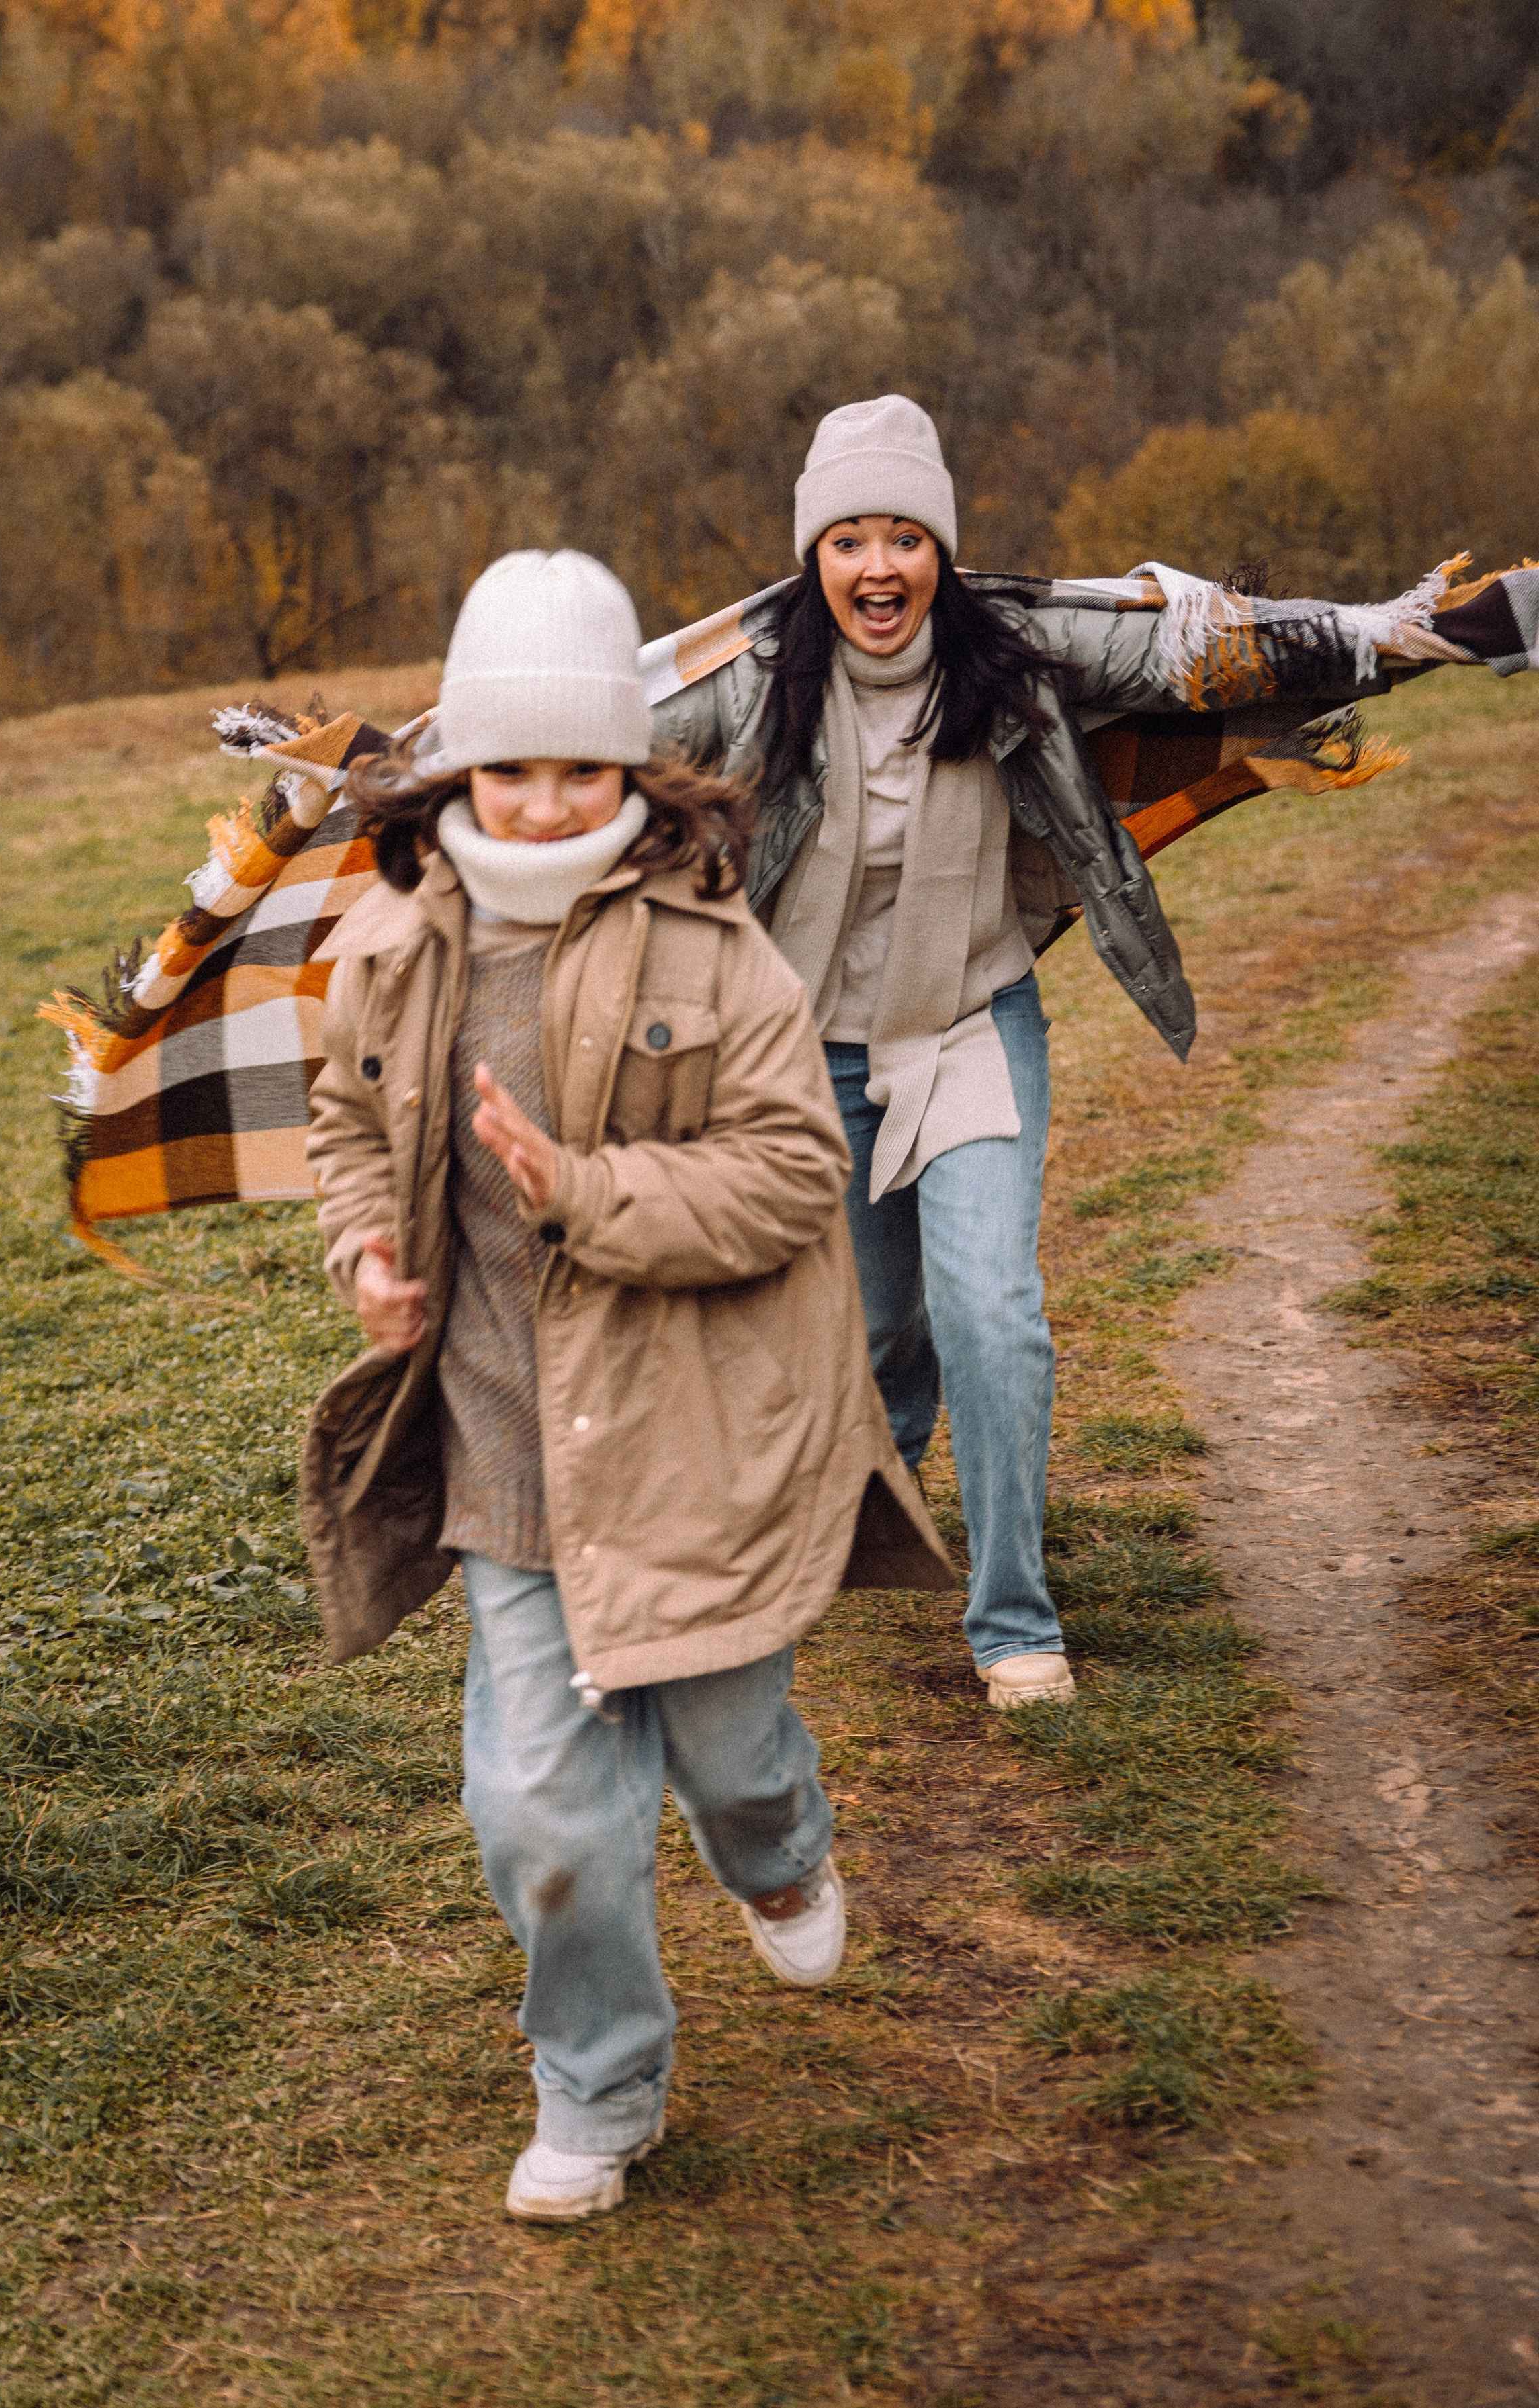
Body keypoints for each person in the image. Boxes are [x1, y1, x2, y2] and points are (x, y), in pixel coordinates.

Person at [298, 549, 955, 2221]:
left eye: (573, 767)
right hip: (509, 1451)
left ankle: (780, 1841)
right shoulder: (388, 939)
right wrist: (368, 1249)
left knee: (727, 1749)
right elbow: (347, 1119)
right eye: (503, 768)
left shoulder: (712, 948)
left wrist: (576, 1187)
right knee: (544, 1814)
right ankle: (597, 2089)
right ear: (453, 769)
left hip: (698, 1440)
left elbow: (793, 1175)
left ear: (630, 772)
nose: (534, 803)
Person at [650, 392, 1422, 1711]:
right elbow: (567, 751)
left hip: (969, 1023)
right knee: (884, 1331)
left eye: (904, 536)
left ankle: (1010, 1617)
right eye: (847, 540)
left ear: (939, 550)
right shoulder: (753, 668)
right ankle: (849, 1509)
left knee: (989, 1314)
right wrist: (384, 776)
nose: (876, 566)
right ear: (811, 557)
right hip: (805, 1052)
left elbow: (1194, 653)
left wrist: (1409, 633)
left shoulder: (1007, 645)